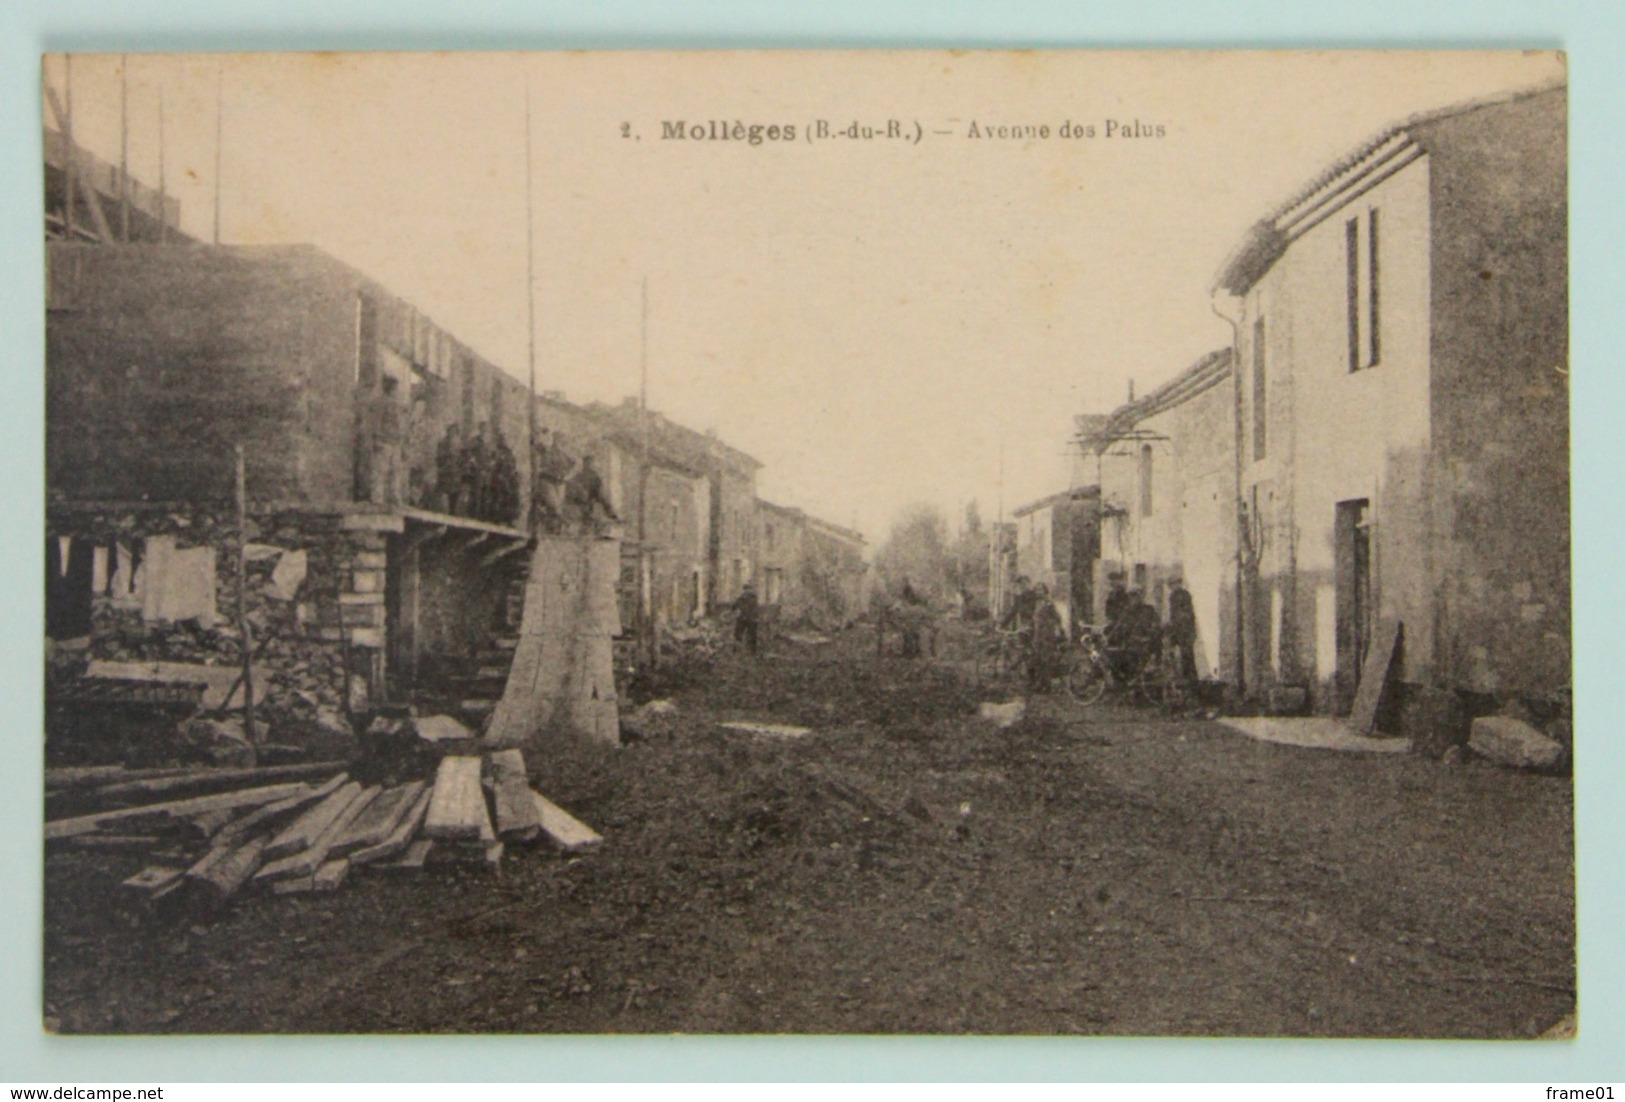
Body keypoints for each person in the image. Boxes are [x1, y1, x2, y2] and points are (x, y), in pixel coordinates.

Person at [565, 452, 619, 533]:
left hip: (574, 514)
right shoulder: (595, 478)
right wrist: (613, 515)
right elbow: (603, 498)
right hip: (585, 512)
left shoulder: (576, 477)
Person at [1116, 588, 1163, 682]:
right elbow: (1120, 625)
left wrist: (1150, 633)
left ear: (1141, 597)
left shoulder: (1149, 609)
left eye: (1136, 596)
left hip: (1146, 641)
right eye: (1131, 596)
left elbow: (1156, 623)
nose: (1134, 599)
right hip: (1131, 641)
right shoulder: (1127, 611)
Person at [1028, 582, 1065, 692]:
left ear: (1045, 591)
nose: (1038, 592)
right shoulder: (1037, 603)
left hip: (1047, 636)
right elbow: (1035, 619)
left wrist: (1053, 627)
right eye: (1037, 590)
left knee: (1046, 661)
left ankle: (1047, 686)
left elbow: (1057, 618)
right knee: (1037, 660)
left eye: (1040, 590)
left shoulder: (1049, 603)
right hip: (1037, 635)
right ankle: (1039, 684)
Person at [1167, 575, 1199, 688]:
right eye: (1172, 585)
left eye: (1175, 583)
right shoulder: (1174, 596)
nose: (1174, 586)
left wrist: (1177, 624)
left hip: (1184, 630)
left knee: (1187, 655)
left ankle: (1189, 680)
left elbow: (1186, 614)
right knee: (1177, 654)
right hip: (1179, 630)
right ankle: (1183, 678)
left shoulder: (1182, 595)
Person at [487, 425, 520, 526]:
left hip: (508, 477)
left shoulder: (509, 452)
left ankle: (509, 518)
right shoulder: (495, 451)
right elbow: (492, 464)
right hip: (497, 477)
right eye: (502, 438)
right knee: (498, 492)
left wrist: (514, 474)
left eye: (505, 439)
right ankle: (496, 517)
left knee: (512, 493)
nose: (503, 441)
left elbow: (513, 465)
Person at [460, 422, 491, 521]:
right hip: (477, 471)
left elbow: (489, 456)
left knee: (485, 495)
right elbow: (468, 452)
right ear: (480, 429)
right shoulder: (476, 440)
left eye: (485, 429)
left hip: (485, 472)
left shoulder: (487, 442)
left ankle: (483, 517)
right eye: (483, 428)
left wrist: (489, 466)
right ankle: (474, 516)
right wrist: (473, 462)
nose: (484, 431)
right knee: (476, 494)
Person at [434, 422, 464, 515]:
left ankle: (452, 511)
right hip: (445, 471)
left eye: (454, 430)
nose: (452, 432)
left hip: (455, 472)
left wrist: (460, 466)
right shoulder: (443, 442)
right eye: (451, 430)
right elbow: (439, 457)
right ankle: (438, 510)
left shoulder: (459, 443)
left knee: (454, 492)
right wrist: (444, 463)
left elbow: (462, 457)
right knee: (442, 491)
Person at [731, 582, 761, 655]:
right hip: (752, 619)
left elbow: (734, 606)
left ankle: (736, 651)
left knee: (738, 634)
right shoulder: (754, 597)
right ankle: (752, 651)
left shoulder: (742, 597)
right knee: (752, 635)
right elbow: (756, 608)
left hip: (743, 618)